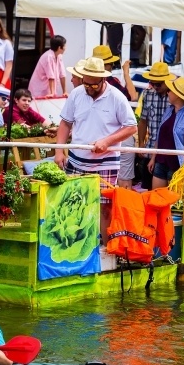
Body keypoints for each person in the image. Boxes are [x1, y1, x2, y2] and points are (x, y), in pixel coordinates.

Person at [54, 57, 137, 239]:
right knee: (73, 203)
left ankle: (105, 248)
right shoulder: (76, 94)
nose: (89, 88)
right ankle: (76, 243)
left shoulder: (117, 97)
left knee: (104, 206)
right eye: (86, 84)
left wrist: (107, 141)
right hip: (76, 159)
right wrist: (59, 151)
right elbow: (65, 123)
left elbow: (131, 127)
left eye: (94, 85)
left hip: (105, 162)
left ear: (103, 80)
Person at [92, 45, 137, 189]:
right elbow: (133, 96)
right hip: (120, 134)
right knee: (123, 178)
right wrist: (126, 74)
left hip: (98, 138)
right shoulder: (113, 84)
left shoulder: (87, 86)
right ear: (108, 65)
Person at [148, 77, 184, 188]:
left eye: (170, 91)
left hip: (176, 164)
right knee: (157, 198)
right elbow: (160, 136)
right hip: (161, 161)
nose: (168, 92)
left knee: (174, 202)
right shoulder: (169, 110)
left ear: (178, 95)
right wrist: (153, 158)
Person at [137, 62, 176, 189]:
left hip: (168, 151)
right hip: (150, 149)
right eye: (152, 83)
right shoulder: (148, 94)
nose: (155, 86)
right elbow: (143, 121)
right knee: (149, 191)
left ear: (166, 81)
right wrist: (141, 143)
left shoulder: (174, 96)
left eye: (158, 84)